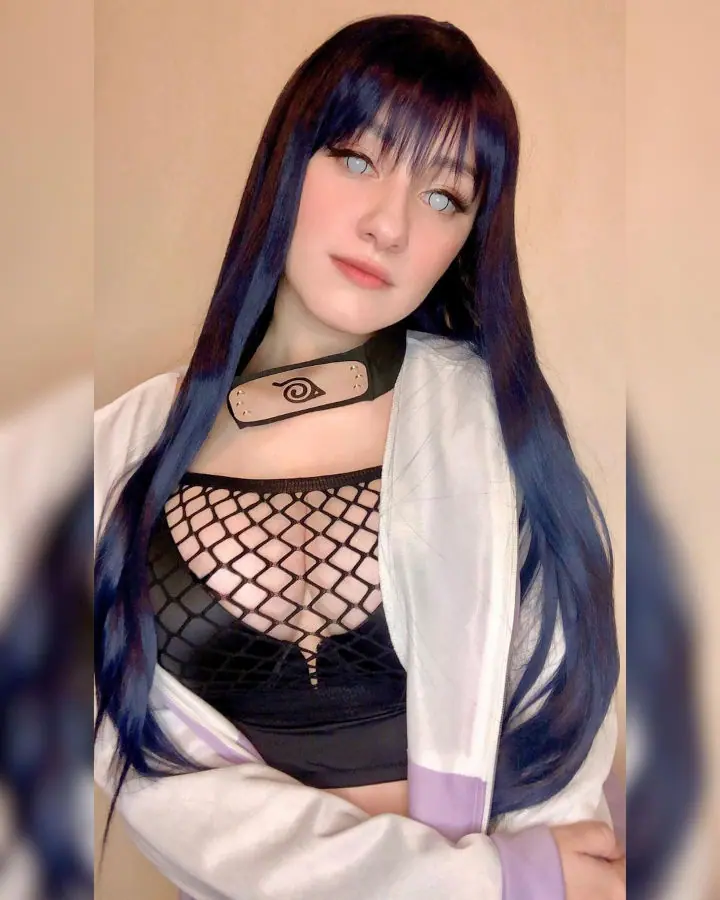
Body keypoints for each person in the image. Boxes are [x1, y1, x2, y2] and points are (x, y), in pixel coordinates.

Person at [94, 14, 623, 900]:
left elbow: (561, 739)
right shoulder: (114, 457)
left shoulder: (494, 427)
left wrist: (530, 883)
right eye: (355, 158)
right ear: (286, 161)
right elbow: (157, 784)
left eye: (445, 198)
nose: (389, 226)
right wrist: (485, 883)